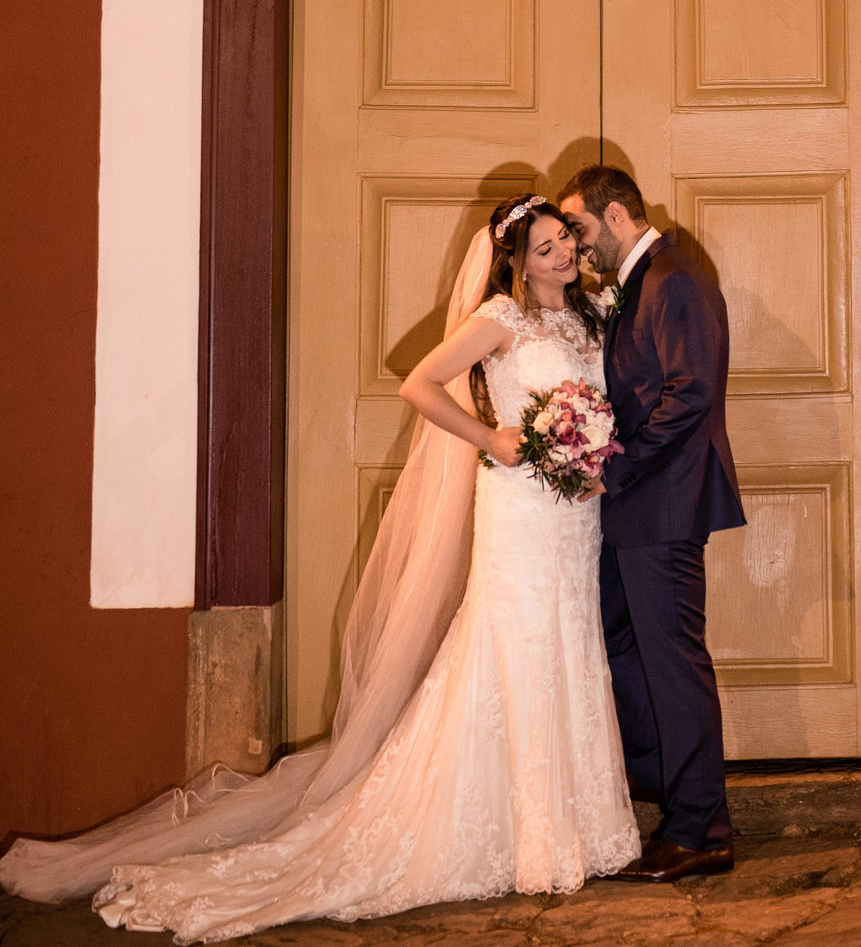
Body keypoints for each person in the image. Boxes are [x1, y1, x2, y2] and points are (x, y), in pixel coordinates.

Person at [0, 197, 639, 942]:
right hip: (520, 510)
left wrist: (587, 453)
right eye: (544, 247)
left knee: (570, 644)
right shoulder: (500, 317)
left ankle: (575, 826)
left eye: (564, 240)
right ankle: (514, 831)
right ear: (517, 263)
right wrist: (491, 439)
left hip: (574, 513)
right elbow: (419, 385)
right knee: (516, 647)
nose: (562, 254)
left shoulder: (589, 315)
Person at [558, 165, 746, 884]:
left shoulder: (675, 279)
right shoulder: (643, 282)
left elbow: (689, 394)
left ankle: (701, 830)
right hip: (636, 509)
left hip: (664, 504)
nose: (576, 246)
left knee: (672, 662)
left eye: (580, 229)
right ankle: (668, 790)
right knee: (625, 648)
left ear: (615, 215)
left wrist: (616, 467)